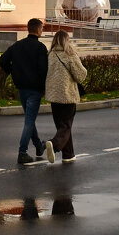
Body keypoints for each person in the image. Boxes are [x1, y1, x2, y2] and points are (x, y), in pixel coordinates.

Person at [0, 18, 48, 163]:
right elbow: (43, 70)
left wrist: (12, 71)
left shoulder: (17, 46)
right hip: (35, 88)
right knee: (29, 120)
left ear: (28, 29)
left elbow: (3, 60)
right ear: (38, 30)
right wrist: (44, 87)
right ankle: (22, 152)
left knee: (29, 118)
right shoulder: (40, 48)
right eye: (42, 28)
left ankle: (39, 146)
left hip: (21, 87)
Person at [44, 29, 88, 163]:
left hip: (53, 96)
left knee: (61, 126)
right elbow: (81, 75)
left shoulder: (50, 54)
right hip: (67, 95)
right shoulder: (69, 53)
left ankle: (68, 155)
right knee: (66, 125)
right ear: (66, 40)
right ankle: (54, 144)